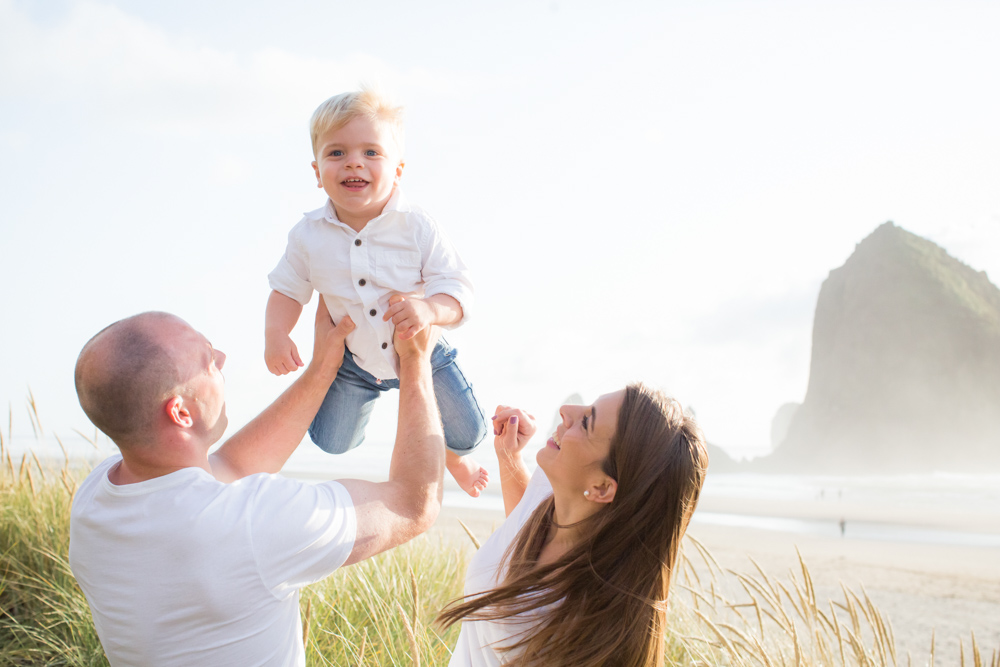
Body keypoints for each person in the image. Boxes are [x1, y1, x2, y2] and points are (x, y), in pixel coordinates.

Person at [69, 300, 446, 666]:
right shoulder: (252, 523)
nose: (222, 360)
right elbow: (412, 504)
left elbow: (232, 466)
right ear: (181, 412)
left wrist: (322, 368)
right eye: (206, 359)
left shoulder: (95, 498)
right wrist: (415, 360)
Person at [265, 87, 489, 497]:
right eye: (337, 154)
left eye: (371, 152)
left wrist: (429, 310)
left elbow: (457, 287)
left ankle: (454, 458)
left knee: (470, 435)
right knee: (333, 442)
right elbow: (286, 289)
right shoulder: (307, 236)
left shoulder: (417, 225)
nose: (354, 161)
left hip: (423, 355)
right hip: (356, 364)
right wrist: (277, 336)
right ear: (316, 171)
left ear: (398, 169)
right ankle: (421, 437)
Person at [438, 383, 709, 667]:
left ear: (602, 487)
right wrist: (510, 457)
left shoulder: (564, 621)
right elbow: (522, 529)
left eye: (587, 422)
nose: (566, 412)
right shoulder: (563, 490)